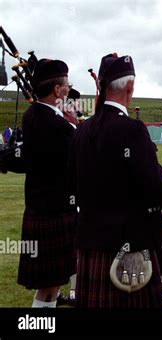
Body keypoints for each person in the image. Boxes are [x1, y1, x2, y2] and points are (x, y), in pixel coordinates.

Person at [71, 53, 162, 308]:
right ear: (130, 87)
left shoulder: (81, 131)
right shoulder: (132, 129)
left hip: (91, 243)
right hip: (129, 244)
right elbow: (152, 178)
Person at [17, 59, 76, 308]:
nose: (68, 88)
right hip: (55, 210)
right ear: (57, 90)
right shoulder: (56, 124)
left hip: (42, 208)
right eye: (67, 84)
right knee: (49, 288)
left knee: (50, 287)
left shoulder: (33, 115)